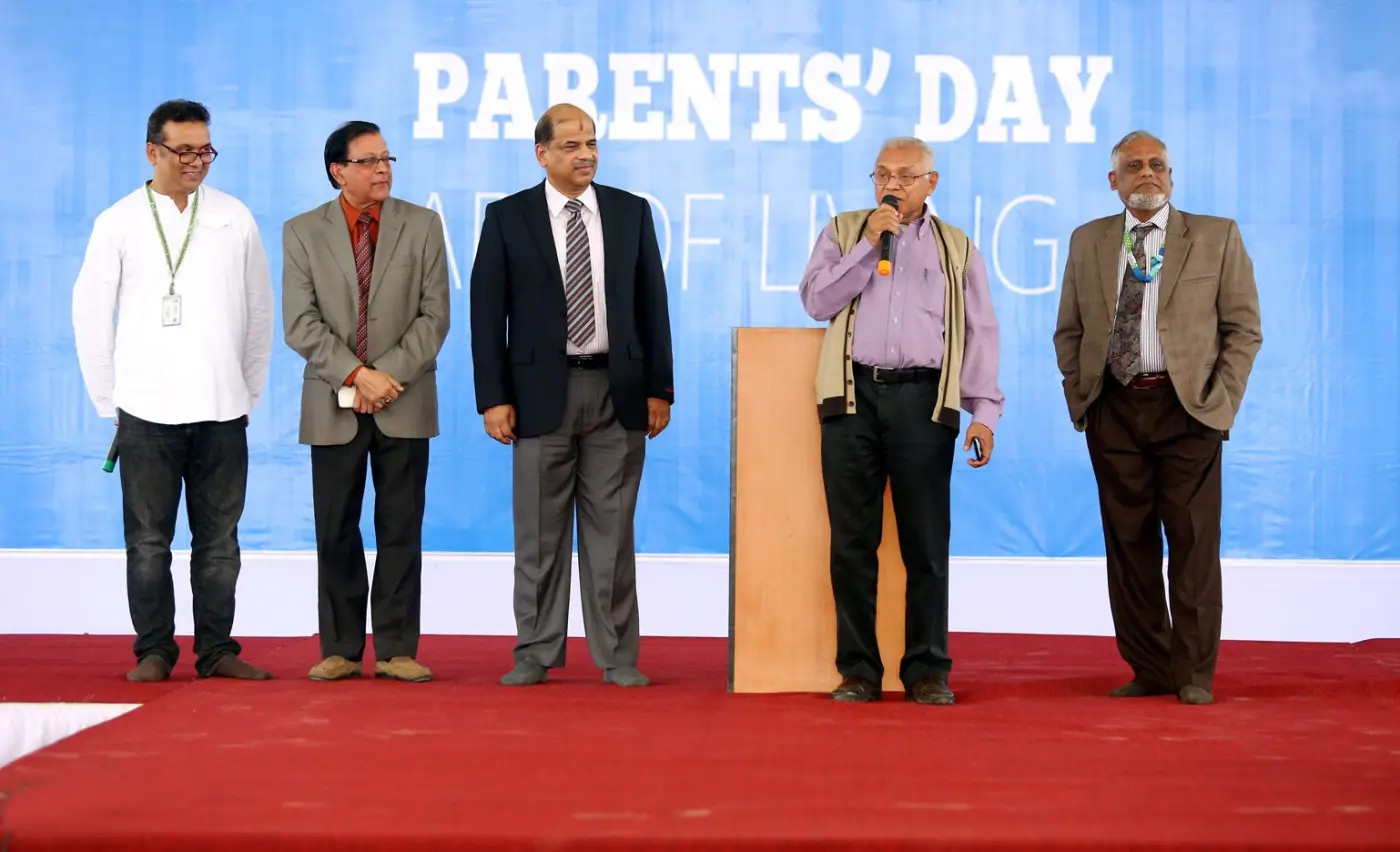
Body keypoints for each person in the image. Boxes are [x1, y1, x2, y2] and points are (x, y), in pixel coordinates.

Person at [1053, 130, 1262, 705]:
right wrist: (1083, 396)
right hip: (1114, 406)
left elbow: (1244, 328)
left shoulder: (1215, 236)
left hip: (1187, 408)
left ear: (1171, 176)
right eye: (1134, 166)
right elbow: (1069, 330)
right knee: (1129, 546)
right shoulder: (1088, 240)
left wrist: (1219, 402)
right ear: (1113, 180)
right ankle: (1150, 667)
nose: (1147, 174)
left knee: (1193, 544)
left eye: (1157, 165)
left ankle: (1192, 673)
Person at [470, 103, 674, 688]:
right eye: (571, 145)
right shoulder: (508, 217)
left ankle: (617, 655)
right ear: (542, 154)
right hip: (538, 395)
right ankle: (535, 650)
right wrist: (493, 397)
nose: (585, 154)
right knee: (538, 534)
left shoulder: (630, 212)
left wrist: (659, 388)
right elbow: (487, 314)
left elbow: (653, 305)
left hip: (618, 390)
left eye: (592, 143)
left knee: (613, 534)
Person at [72, 98, 275, 683]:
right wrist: (111, 402)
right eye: (184, 150)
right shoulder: (118, 221)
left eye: (205, 150)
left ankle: (217, 651)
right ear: (152, 151)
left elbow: (259, 310)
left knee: (220, 544)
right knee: (148, 544)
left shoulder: (234, 216)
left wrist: (247, 393)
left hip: (222, 409)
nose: (196, 161)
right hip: (144, 411)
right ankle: (155, 651)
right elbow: (90, 314)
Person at [799, 137, 1004, 705]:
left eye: (905, 176)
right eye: (882, 174)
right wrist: (868, 246)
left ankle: (927, 670)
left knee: (926, 544)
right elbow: (816, 302)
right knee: (852, 543)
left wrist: (984, 412)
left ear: (930, 183)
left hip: (923, 402)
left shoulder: (957, 248)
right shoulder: (844, 232)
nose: (891, 185)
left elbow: (981, 332)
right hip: (852, 399)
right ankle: (858, 670)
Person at [282, 121, 450, 683]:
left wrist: (385, 377)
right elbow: (300, 323)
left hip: (404, 397)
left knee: (401, 527)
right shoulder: (302, 232)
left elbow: (435, 316)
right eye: (368, 160)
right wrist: (356, 375)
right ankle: (342, 649)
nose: (383, 169)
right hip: (332, 401)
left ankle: (397, 648)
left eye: (387, 159)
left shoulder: (422, 225)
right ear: (338, 171)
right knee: (336, 529)